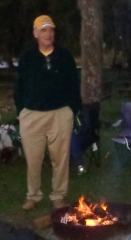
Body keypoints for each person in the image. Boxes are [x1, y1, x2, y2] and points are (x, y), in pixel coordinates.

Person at [15, 15, 81, 210]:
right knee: (33, 158)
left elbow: (74, 85)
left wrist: (72, 109)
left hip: (60, 114)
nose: (48, 34)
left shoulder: (64, 56)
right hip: (32, 115)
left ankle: (58, 196)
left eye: (51, 30)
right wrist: (21, 111)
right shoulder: (27, 57)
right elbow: (18, 87)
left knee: (60, 158)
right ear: (35, 33)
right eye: (43, 30)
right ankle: (33, 196)